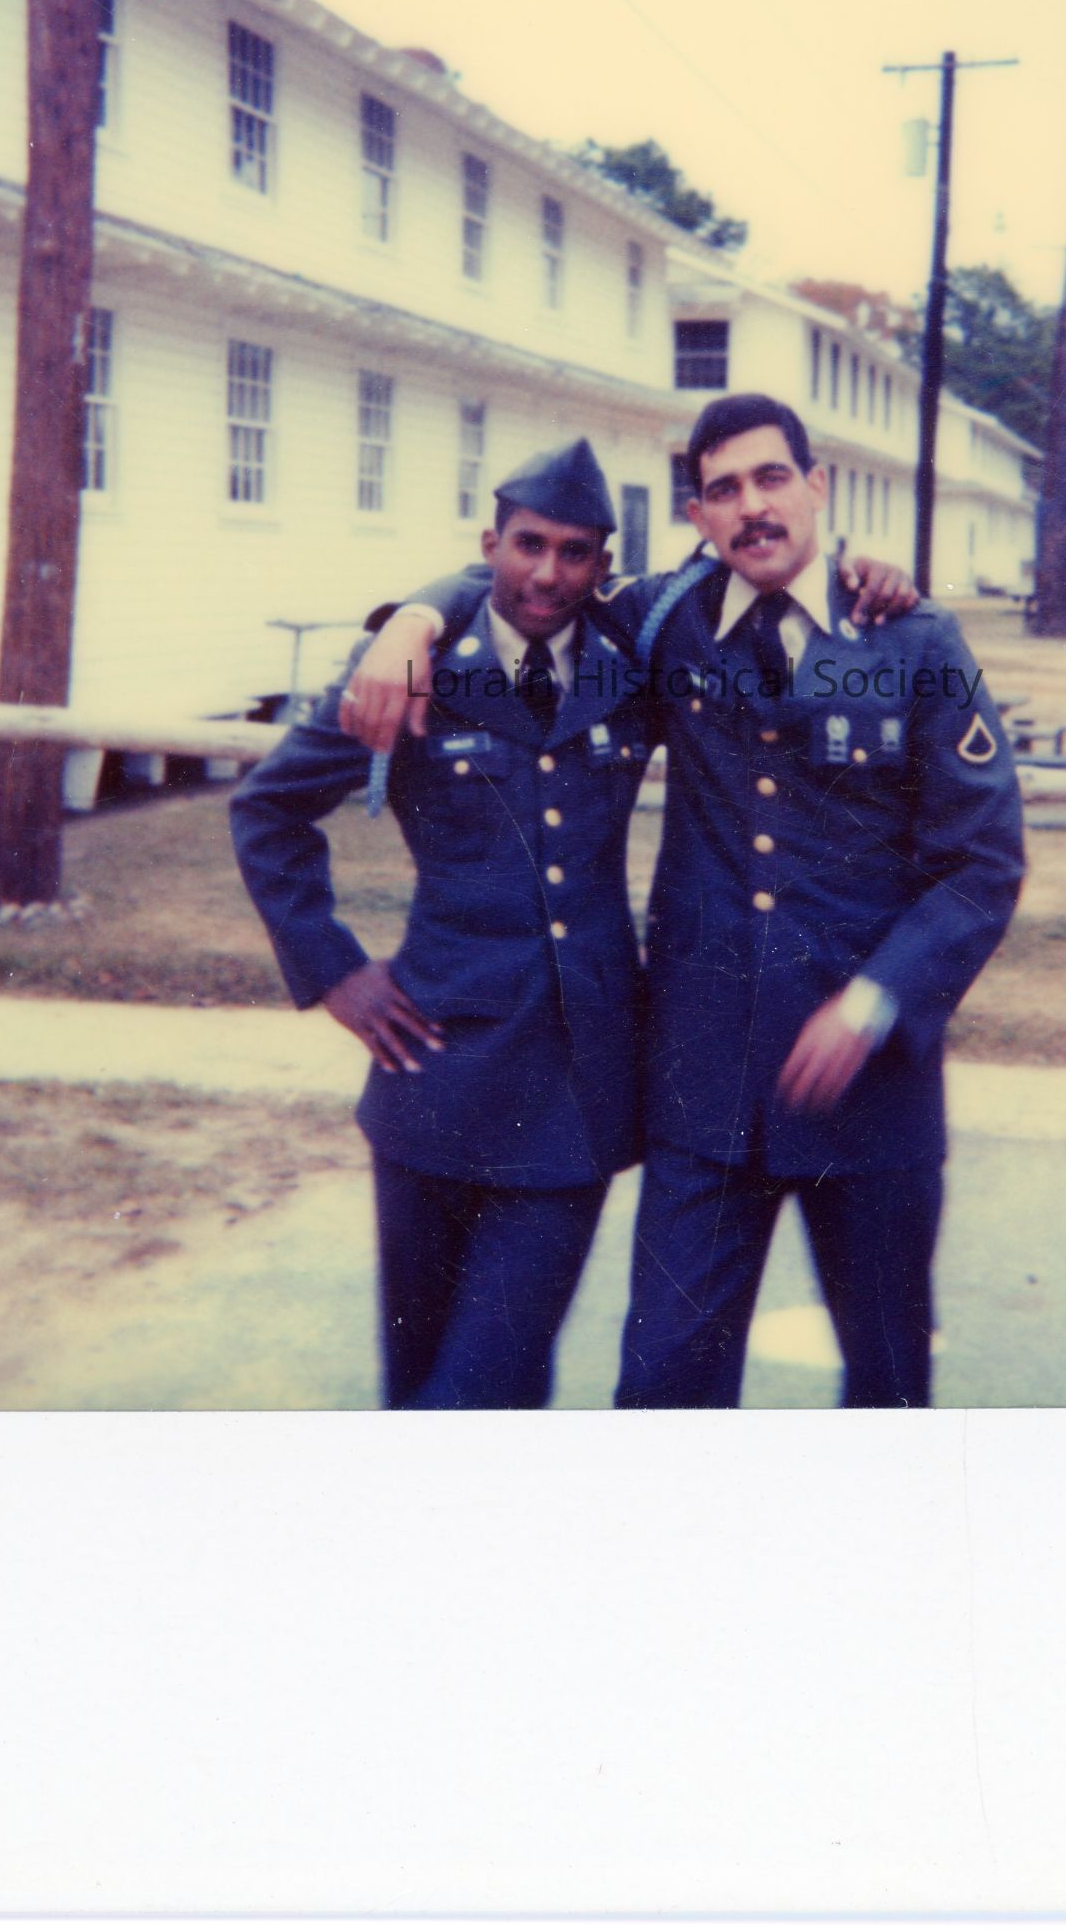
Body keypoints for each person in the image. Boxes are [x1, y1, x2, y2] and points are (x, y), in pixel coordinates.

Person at [352, 393, 1026, 1409]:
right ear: (697, 515)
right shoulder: (663, 621)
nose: (751, 506)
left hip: (870, 1096)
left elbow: (983, 861)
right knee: (664, 1386)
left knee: (889, 1384)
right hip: (703, 1087)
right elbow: (533, 581)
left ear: (817, 487)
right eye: (723, 489)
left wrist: (875, 1000)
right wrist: (414, 616)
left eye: (770, 478)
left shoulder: (916, 641)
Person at [228, 438, 652, 1410]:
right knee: (419, 1381)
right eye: (528, 544)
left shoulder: (632, 659)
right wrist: (332, 970)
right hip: (432, 1067)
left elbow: (727, 584)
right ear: (489, 543)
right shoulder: (414, 670)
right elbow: (267, 808)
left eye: (575, 552)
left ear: (602, 565)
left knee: (484, 1384)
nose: (548, 573)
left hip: (575, 1086)